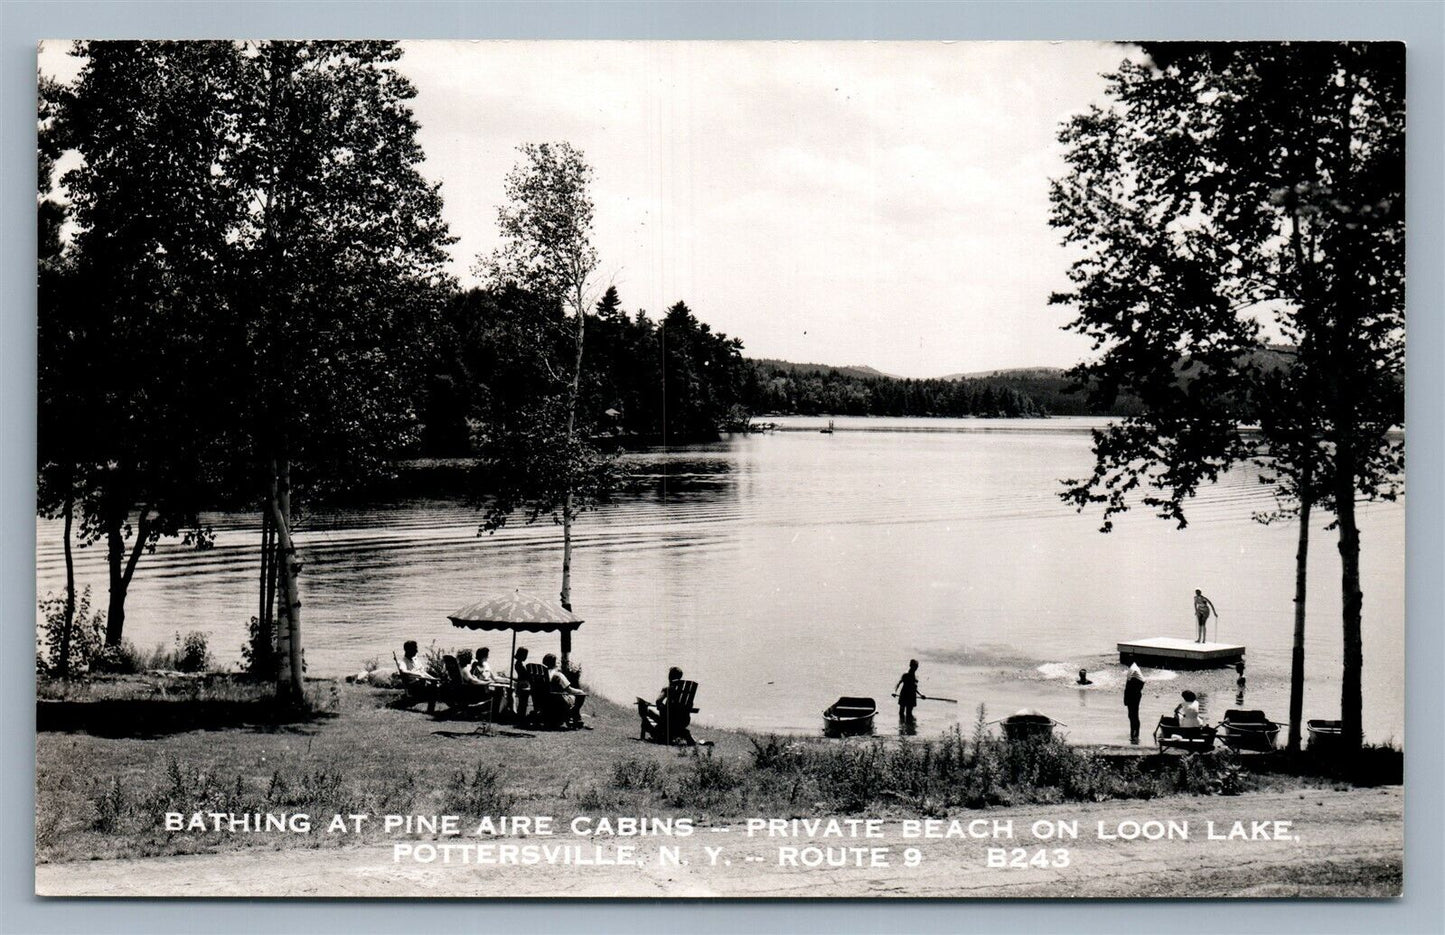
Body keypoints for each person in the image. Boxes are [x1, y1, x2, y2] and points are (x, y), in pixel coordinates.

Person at [637, 666, 695, 744]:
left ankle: (650, 733)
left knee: (646, 708)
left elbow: (658, 701)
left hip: (668, 720)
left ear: (669, 676)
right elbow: (690, 706)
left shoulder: (668, 688)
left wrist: (662, 708)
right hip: (684, 720)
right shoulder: (687, 691)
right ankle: (676, 734)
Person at [543, 652, 588, 727]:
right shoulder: (558, 675)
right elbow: (569, 690)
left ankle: (574, 716)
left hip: (544, 701)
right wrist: (580, 691)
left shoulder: (542, 674)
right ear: (554, 663)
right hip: (557, 701)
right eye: (557, 662)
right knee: (580, 694)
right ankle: (573, 715)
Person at [1123, 655, 1145, 744]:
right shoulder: (1134, 667)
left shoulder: (1133, 669)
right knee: (1133, 715)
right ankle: (1134, 733)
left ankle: (1135, 735)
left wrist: (1125, 698)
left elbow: (1127, 685)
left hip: (1133, 694)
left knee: (1133, 715)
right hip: (1135, 694)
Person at [512, 647, 532, 720]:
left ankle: (521, 713)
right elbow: (526, 675)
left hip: (521, 681)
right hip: (523, 683)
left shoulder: (517, 663)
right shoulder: (520, 665)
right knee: (523, 701)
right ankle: (521, 715)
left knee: (522, 701)